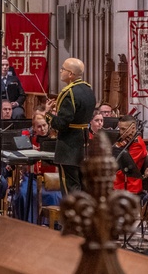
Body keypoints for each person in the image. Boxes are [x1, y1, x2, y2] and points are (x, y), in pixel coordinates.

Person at [45, 58, 95, 194]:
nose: (61, 71)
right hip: (84, 143)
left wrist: (48, 114)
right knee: (83, 187)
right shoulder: (88, 89)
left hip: (69, 146)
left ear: (71, 74)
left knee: (70, 188)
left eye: (63, 69)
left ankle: (71, 209)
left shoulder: (69, 93)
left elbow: (61, 124)